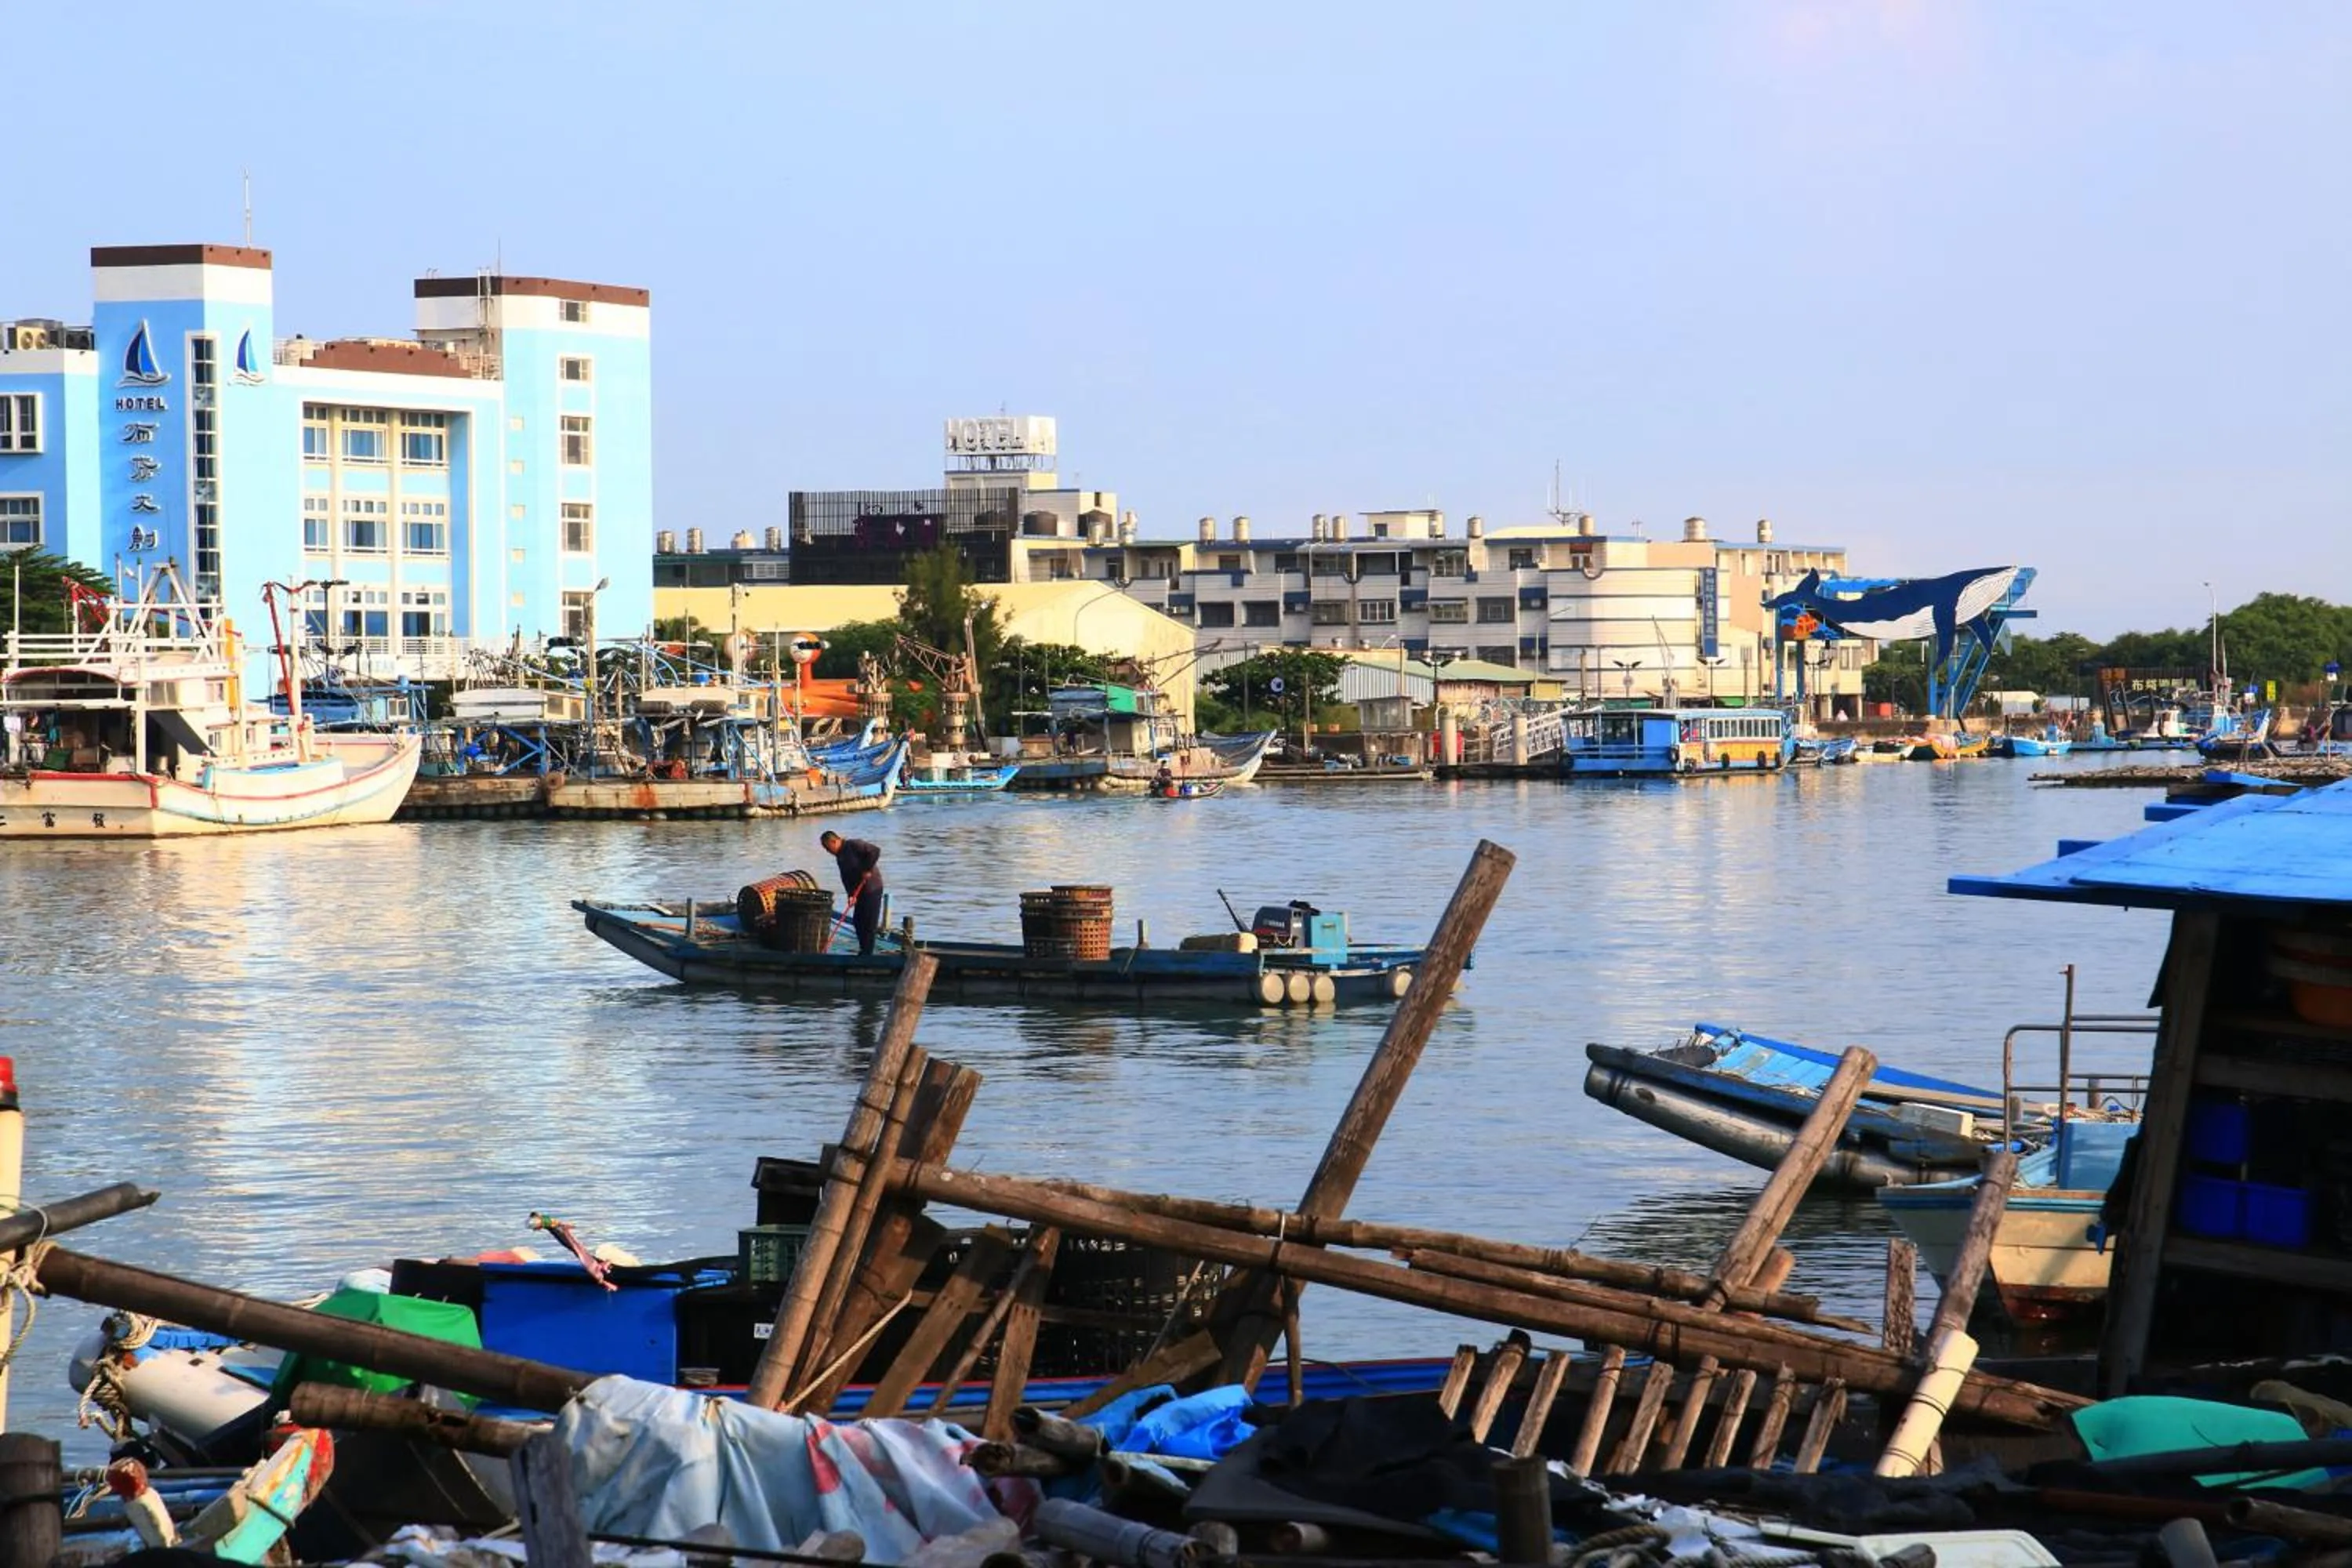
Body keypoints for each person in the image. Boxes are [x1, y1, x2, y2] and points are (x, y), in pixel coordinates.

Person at [820, 829, 886, 956]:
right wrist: (850, 895)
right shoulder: (840, 857)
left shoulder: (854, 845)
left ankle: (867, 953)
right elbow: (846, 878)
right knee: (858, 921)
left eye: (828, 848)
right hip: (858, 892)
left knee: (869, 922)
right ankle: (864, 949)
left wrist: (867, 869)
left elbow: (875, 851)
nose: (828, 852)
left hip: (872, 889)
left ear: (835, 841)